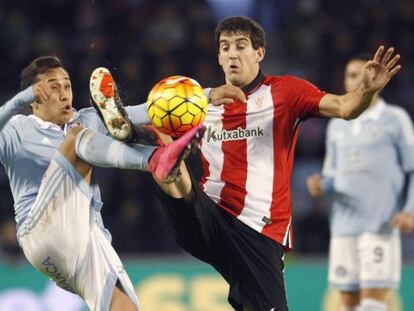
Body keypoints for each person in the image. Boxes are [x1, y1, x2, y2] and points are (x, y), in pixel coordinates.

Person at [94, 16, 401, 311]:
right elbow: (151, 110)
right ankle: (165, 158)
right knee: (169, 158)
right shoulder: (199, 103)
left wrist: (366, 91)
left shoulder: (287, 92)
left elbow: (345, 107)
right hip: (211, 214)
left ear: (260, 52)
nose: (232, 54)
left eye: (241, 46)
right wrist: (124, 120)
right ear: (218, 57)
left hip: (259, 230)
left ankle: (165, 155)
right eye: (225, 47)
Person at [0, 56, 204, 311]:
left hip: (86, 239)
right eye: (53, 87)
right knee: (76, 139)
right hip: (39, 229)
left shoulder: (86, 119)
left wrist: (209, 95)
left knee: (125, 306)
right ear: (33, 98)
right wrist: (18, 101)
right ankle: (154, 159)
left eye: (67, 85)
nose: (64, 94)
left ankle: (147, 149)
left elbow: (148, 109)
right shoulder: (17, 130)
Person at [306, 55, 414, 311]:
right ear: (345, 81)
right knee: (347, 304)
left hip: (380, 223)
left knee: (372, 302)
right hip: (344, 225)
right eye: (352, 75)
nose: (359, 79)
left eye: (362, 73)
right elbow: (332, 176)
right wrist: (323, 185)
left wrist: (409, 210)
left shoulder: (394, 119)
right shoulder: (336, 126)